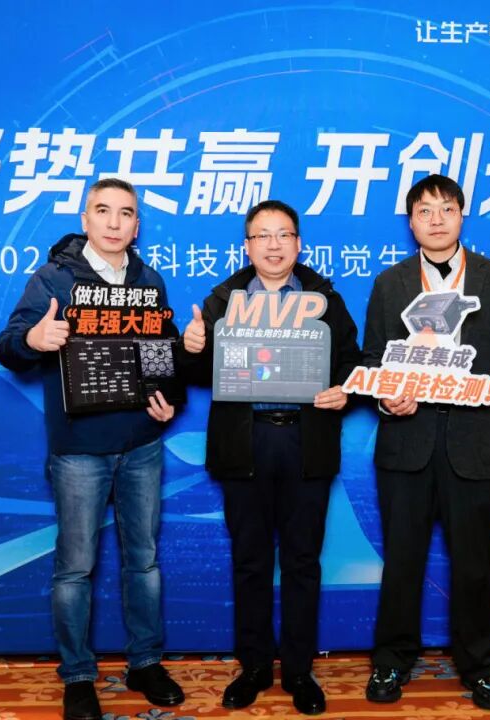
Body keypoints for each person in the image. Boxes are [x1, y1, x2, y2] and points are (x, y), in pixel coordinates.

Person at [0, 178, 184, 720]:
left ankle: (145, 662)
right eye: (103, 211)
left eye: (125, 213)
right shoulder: (54, 279)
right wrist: (33, 341)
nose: (114, 222)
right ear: (86, 219)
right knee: (76, 567)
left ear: (137, 225)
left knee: (143, 562)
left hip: (142, 445)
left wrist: (166, 399)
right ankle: (77, 675)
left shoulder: (149, 281)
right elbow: (8, 345)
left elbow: (158, 354)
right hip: (79, 449)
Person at [362, 174, 490, 711]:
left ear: (462, 215)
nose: (436, 219)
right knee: (402, 562)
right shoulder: (390, 283)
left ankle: (481, 667)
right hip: (407, 445)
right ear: (411, 222)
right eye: (424, 210)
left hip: (477, 445)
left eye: (446, 208)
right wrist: (387, 398)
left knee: (474, 565)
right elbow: (373, 359)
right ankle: (392, 661)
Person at [179, 199, 361, 716]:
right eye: (263, 236)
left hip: (306, 442)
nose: (274, 245)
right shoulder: (224, 300)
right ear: (248, 246)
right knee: (251, 560)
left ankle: (299, 671)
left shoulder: (325, 299)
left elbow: (353, 362)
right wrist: (193, 346)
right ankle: (255, 666)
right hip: (246, 442)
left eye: (284, 235)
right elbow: (197, 374)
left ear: (298, 244)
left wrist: (345, 391)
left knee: (303, 561)